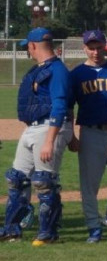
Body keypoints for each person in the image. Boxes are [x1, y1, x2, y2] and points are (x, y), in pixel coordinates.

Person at [0, 27, 73, 245]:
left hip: (49, 127)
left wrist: (50, 140)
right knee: (16, 178)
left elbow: (60, 106)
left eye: (27, 47)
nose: (27, 51)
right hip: (33, 127)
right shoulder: (40, 69)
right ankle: (12, 229)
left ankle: (48, 233)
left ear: (33, 45)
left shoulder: (58, 70)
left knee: (44, 181)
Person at [69, 30, 107, 243]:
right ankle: (94, 226)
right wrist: (72, 135)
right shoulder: (77, 74)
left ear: (105, 46)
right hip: (90, 132)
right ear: (84, 48)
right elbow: (68, 106)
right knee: (89, 185)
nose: (95, 51)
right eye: (91, 47)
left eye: (99, 46)